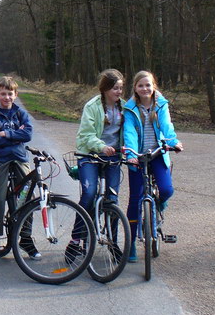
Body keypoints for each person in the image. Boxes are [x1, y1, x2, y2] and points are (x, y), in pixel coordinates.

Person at [123, 70, 183, 263]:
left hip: (157, 154)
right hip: (138, 157)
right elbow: (129, 132)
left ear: (154, 86)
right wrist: (131, 154)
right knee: (134, 200)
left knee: (166, 189)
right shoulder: (130, 108)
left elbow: (167, 126)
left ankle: (159, 204)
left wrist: (173, 142)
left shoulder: (161, 105)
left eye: (148, 85)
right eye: (140, 85)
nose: (145, 88)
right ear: (135, 88)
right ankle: (131, 242)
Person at [0, 76, 39, 259]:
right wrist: (16, 135)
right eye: (3, 94)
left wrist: (5, 133)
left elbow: (28, 134)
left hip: (20, 158)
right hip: (1, 160)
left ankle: (25, 237)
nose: (7, 97)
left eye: (10, 94)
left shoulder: (20, 113)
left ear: (16, 95)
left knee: (28, 196)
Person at [75, 69, 126, 212]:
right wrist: (102, 147)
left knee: (112, 198)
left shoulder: (124, 107)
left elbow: (130, 132)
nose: (119, 92)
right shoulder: (92, 106)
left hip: (113, 156)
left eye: (121, 88)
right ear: (105, 89)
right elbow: (86, 134)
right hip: (90, 155)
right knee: (89, 193)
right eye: (115, 88)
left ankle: (113, 235)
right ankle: (79, 233)